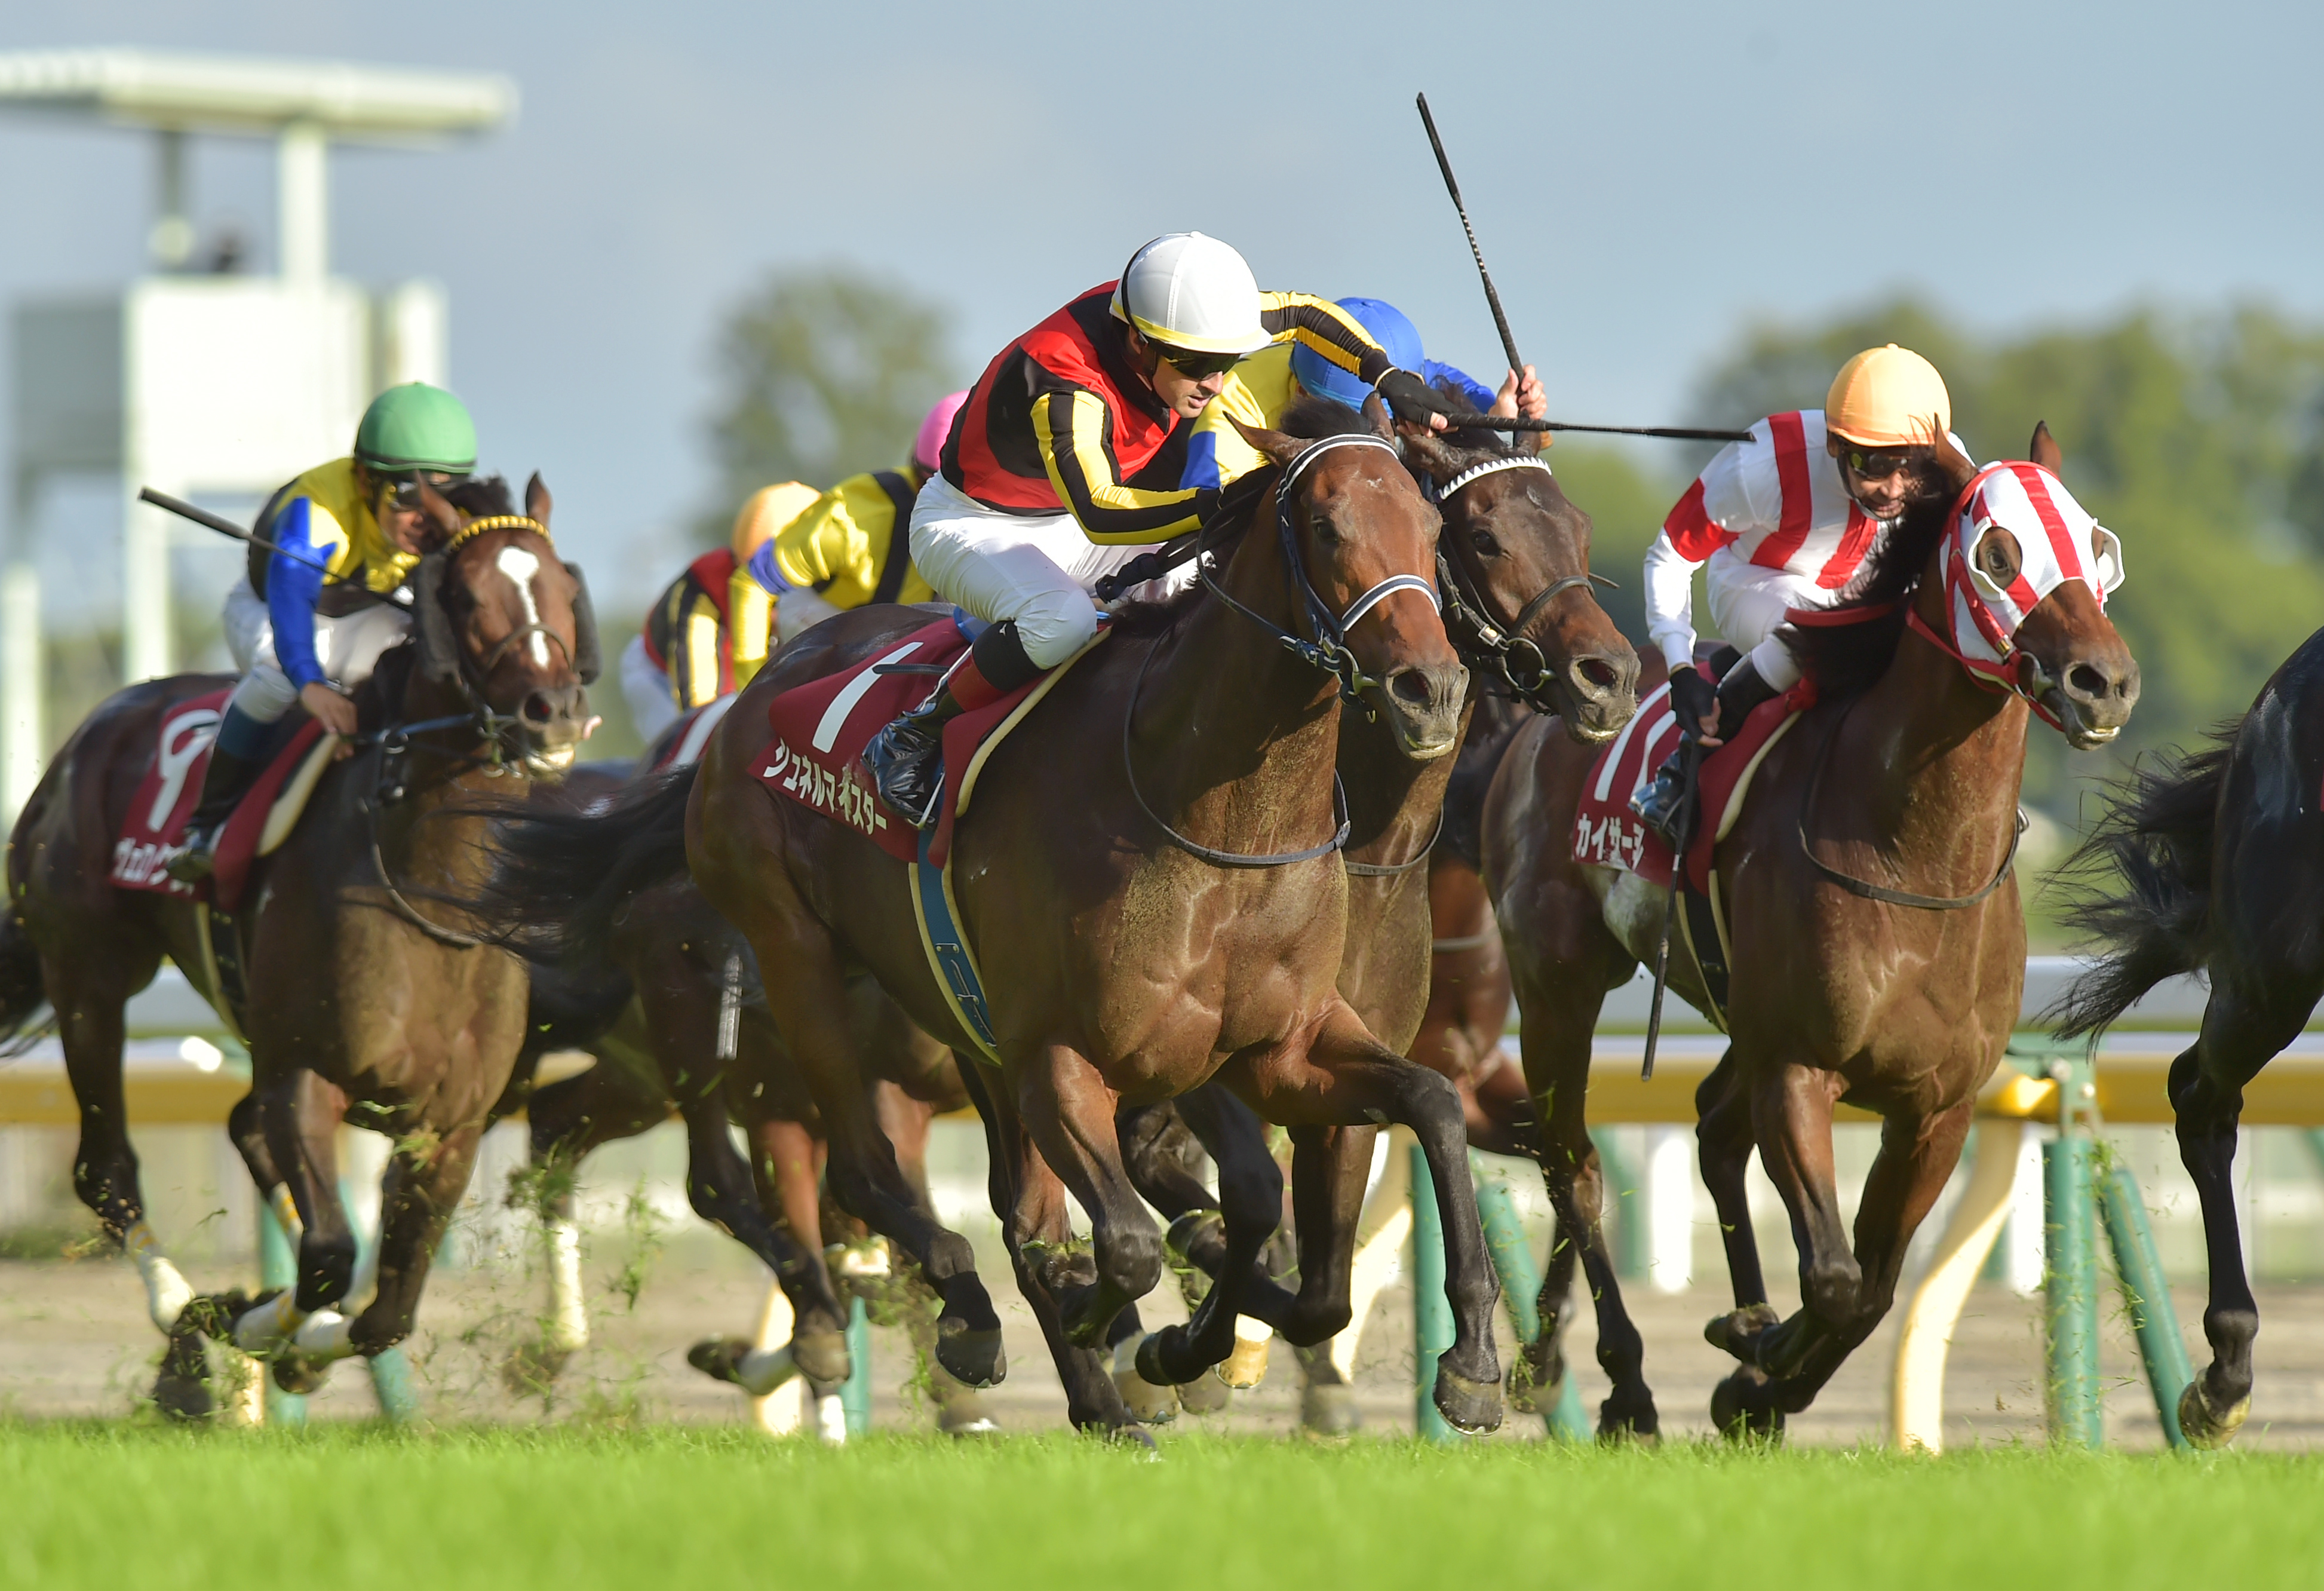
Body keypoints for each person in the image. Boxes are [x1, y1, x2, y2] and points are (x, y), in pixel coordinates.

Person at [862, 232, 1460, 824]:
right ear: (1137, 342)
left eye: (1226, 363)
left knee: (1207, 574)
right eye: (1198, 366)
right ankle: (918, 731)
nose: (1216, 383)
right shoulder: (1067, 383)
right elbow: (1101, 510)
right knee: (1060, 621)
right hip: (973, 525)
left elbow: (1306, 314)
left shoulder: (1189, 316)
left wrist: (1385, 377)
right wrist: (1223, 503)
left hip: (1067, 518)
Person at [1628, 344, 1966, 846]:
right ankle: (1682, 769)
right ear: (1835, 444)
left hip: (1864, 594)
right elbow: (1671, 554)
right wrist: (1678, 668)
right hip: (1754, 578)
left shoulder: (1946, 466)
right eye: (1873, 465)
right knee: (1815, 628)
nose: (1895, 489)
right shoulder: (1760, 465)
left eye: (1912, 467)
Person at [166, 382, 476, 883]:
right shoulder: (317, 513)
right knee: (281, 680)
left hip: (366, 613)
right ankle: (207, 826)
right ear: (362, 481)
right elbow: (291, 608)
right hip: (272, 609)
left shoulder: (455, 520)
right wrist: (312, 685)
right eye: (405, 495)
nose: (427, 517)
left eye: (445, 494)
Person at [1181, 295, 1544, 493]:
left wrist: (1500, 420)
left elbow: (1464, 397)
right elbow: (1208, 524)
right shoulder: (1231, 409)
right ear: (1300, 393)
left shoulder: (1402, 368)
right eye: (1356, 421)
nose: (1377, 431)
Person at [738, 391, 971, 664]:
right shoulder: (852, 520)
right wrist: (750, 685)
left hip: (901, 635)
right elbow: (753, 583)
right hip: (825, 619)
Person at [619, 482, 820, 745]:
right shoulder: (703, 591)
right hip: (661, 679)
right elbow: (700, 710)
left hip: (734, 679)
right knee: (694, 750)